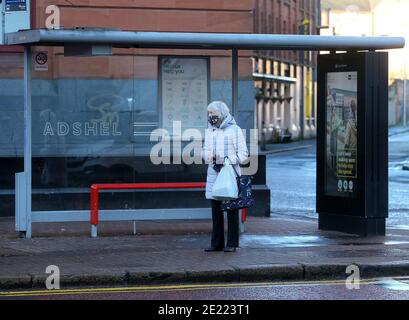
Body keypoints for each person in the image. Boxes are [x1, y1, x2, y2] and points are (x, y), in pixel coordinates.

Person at [202, 101, 249, 253]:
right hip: (214, 174)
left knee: (231, 210)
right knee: (215, 212)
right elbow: (204, 151)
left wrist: (227, 159)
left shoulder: (234, 130)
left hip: (228, 174)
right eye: (209, 113)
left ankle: (232, 244)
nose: (210, 117)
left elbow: (244, 155)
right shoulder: (210, 131)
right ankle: (216, 244)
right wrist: (208, 156)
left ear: (221, 114)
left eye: (212, 113)